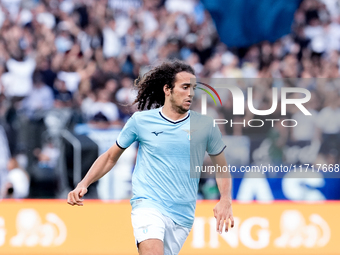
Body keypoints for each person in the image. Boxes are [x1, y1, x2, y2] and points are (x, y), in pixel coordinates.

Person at [67, 59, 234, 255]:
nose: (190, 93)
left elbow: (221, 166)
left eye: (193, 88)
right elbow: (111, 156)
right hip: (147, 204)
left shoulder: (205, 125)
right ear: (167, 89)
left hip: (183, 214)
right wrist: (84, 183)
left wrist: (225, 200)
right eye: (185, 87)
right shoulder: (141, 121)